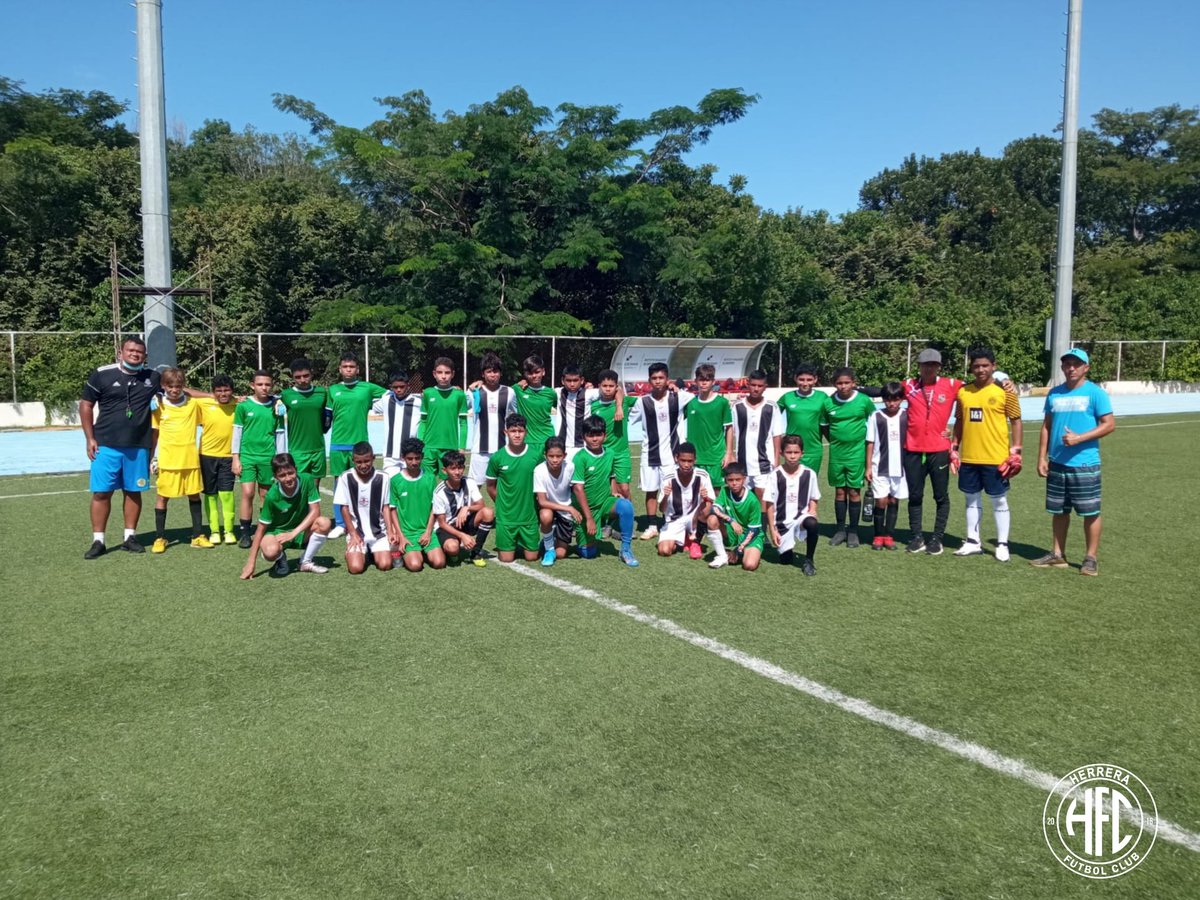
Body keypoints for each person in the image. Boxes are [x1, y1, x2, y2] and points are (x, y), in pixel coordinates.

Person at [1032, 349, 1115, 576]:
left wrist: (1079, 438)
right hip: (1057, 463)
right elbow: (1047, 426)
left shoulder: (1095, 393)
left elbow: (1109, 424)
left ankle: (1090, 558)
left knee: (1090, 512)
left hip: (1085, 463)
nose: (1071, 368)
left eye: (1076, 364)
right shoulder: (1055, 394)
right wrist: (1042, 457)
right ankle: (1058, 554)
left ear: (1086, 368)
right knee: (1059, 511)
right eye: (1067, 364)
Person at [81, 336, 161, 558]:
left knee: (134, 492)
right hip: (105, 444)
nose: (135, 354)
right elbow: (86, 405)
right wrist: (90, 438)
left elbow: (180, 389)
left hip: (138, 446)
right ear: (121, 352)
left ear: (145, 356)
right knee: (101, 493)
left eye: (139, 352)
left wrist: (215, 396)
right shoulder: (102, 374)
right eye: (131, 350)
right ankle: (99, 541)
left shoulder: (152, 377)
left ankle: (130, 537)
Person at [951, 347, 1023, 562]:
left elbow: (1016, 420)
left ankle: (1002, 544)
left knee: (999, 500)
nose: (980, 369)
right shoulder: (963, 392)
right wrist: (954, 447)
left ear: (994, 366)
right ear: (971, 368)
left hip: (996, 458)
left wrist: (1016, 450)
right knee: (971, 499)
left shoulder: (1005, 391)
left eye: (985, 365)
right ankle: (973, 541)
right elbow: (960, 421)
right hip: (970, 457)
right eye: (976, 366)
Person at [901, 348, 963, 556]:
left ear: (938, 366)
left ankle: (937, 538)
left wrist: (1004, 384)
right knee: (915, 495)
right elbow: (884, 391)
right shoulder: (909, 386)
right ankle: (917, 537)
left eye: (933, 365)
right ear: (919, 366)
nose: (928, 368)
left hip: (939, 450)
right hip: (913, 449)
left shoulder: (952, 385)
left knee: (940, 495)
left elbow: (977, 389)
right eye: (925, 364)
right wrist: (854, 389)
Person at [149, 367, 212, 552]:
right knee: (162, 497)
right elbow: (155, 434)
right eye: (170, 386)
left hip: (190, 460)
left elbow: (216, 401)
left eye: (178, 386)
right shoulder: (158, 405)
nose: (174, 390)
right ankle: (160, 538)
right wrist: (152, 457)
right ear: (163, 386)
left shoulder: (193, 404)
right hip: (168, 461)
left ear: (183, 386)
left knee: (194, 495)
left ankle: (198, 535)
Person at [239, 453, 332, 578]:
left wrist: (293, 533)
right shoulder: (272, 496)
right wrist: (251, 562)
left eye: (290, 473)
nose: (288, 478)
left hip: (299, 532)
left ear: (296, 469)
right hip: (278, 533)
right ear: (275, 477)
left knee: (324, 523)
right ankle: (280, 557)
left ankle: (305, 562)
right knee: (270, 552)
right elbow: (261, 529)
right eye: (282, 475)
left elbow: (315, 511)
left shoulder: (307, 480)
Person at [629, 362, 694, 539]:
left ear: (667, 379)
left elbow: (695, 396)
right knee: (650, 491)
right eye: (654, 378)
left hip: (671, 456)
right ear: (649, 380)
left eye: (661, 378)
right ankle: (652, 525)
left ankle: (670, 522)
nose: (658, 381)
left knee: (672, 490)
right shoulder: (642, 402)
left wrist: (677, 389)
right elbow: (630, 418)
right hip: (649, 454)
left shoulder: (677, 398)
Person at [326, 353, 387, 538]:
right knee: (339, 482)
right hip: (337, 444)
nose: (348, 370)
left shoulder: (367, 388)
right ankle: (339, 523)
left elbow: (390, 393)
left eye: (352, 367)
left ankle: (362, 520)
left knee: (361, 483)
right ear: (340, 369)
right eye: (345, 367)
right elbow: (327, 415)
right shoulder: (333, 390)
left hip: (359, 445)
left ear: (358, 369)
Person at [571, 416, 640, 567]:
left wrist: (613, 491)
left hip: (604, 503)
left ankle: (626, 549)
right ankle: (578, 534)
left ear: (605, 435)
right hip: (586, 509)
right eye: (590, 435)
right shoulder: (580, 458)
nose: (594, 439)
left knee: (626, 506)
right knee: (589, 554)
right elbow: (578, 489)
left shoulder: (610, 453)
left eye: (598, 434)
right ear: (583, 437)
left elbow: (611, 475)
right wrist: (589, 518)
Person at [232, 370, 286, 549]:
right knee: (247, 493)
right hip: (247, 457)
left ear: (272, 386)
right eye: (260, 384)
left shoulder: (277, 406)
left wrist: (281, 459)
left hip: (268, 459)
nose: (264, 388)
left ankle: (265, 530)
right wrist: (235, 458)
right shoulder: (243, 406)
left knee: (266, 495)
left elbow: (279, 433)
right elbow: (237, 432)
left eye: (268, 384)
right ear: (252, 385)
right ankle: (245, 533)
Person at [826, 367, 876, 548]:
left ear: (854, 383)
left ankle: (853, 531)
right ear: (834, 384)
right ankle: (840, 530)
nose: (843, 386)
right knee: (840, 491)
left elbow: (874, 422)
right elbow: (825, 426)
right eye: (839, 383)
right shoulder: (828, 403)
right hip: (837, 455)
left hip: (857, 455)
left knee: (854, 491)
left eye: (847, 382)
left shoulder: (863, 401)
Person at [485, 413, 543, 563]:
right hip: (506, 518)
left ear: (526, 432)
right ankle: (511, 543)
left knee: (532, 558)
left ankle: (537, 542)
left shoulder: (536, 456)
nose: (517, 435)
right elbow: (490, 486)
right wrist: (502, 503)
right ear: (506, 432)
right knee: (506, 559)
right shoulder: (497, 457)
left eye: (520, 431)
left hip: (529, 516)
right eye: (513, 431)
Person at [762, 434, 821, 576]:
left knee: (812, 523)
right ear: (782, 453)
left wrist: (812, 509)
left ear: (802, 453)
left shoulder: (809, 474)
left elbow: (814, 497)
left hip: (800, 518)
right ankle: (787, 549)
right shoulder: (775, 475)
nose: (792, 456)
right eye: (789, 452)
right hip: (782, 524)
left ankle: (809, 560)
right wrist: (772, 529)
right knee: (785, 560)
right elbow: (769, 504)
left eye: (796, 452)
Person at [333, 441, 393, 574]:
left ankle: (371, 552)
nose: (363, 465)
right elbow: (344, 508)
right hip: (357, 532)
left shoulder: (384, 477)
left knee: (385, 565)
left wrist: (390, 531)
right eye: (359, 462)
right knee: (355, 568)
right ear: (353, 460)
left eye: (367, 461)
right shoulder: (345, 477)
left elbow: (386, 507)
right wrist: (353, 534)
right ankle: (356, 552)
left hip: (378, 532)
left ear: (373, 458)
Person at [386, 437, 445, 572]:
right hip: (407, 533)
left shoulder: (430, 478)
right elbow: (392, 510)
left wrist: (428, 532)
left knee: (439, 563)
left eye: (417, 458)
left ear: (422, 457)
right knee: (415, 565)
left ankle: (425, 551)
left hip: (425, 531)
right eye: (410, 459)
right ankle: (403, 551)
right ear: (403, 458)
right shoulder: (396, 481)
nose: (414, 462)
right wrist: (401, 536)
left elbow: (433, 507)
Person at [865, 382, 908, 550]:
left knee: (893, 500)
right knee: (880, 501)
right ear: (883, 400)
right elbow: (870, 442)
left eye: (896, 400)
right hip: (879, 466)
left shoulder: (907, 415)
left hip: (901, 468)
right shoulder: (876, 416)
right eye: (888, 400)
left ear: (901, 399)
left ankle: (889, 536)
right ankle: (877, 535)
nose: (892, 403)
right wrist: (868, 467)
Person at [432, 450, 494, 566]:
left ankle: (475, 553)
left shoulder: (469, 482)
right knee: (452, 548)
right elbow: (442, 523)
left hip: (464, 522)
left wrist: (466, 508)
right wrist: (463, 536)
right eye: (453, 469)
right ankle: (452, 551)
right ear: (444, 470)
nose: (457, 472)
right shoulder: (439, 493)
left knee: (488, 512)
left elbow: (481, 505)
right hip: (448, 527)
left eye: (460, 468)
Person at [197, 374, 238, 544]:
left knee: (227, 494)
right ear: (213, 392)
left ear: (232, 391)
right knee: (210, 494)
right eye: (219, 391)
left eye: (226, 390)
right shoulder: (204, 403)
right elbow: (183, 391)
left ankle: (229, 530)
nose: (223, 393)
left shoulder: (239, 404)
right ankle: (214, 531)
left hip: (229, 457)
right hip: (207, 456)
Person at [731, 368, 784, 499]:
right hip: (742, 460)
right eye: (753, 385)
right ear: (748, 384)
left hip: (764, 461)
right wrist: (731, 454)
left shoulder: (771, 407)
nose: (756, 389)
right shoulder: (737, 407)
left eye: (760, 386)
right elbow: (731, 431)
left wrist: (777, 459)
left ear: (765, 387)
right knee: (743, 497)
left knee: (763, 497)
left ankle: (763, 520)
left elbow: (776, 435)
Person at [279, 358, 331, 488]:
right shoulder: (286, 395)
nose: (302, 380)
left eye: (306, 376)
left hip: (318, 449)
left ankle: (314, 509)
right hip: (297, 450)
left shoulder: (322, 393)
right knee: (299, 488)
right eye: (298, 377)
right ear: (292, 377)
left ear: (311, 374)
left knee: (314, 489)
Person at [468, 353, 517, 489]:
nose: (492, 375)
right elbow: (458, 404)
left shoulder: (509, 392)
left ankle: (504, 511)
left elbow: (517, 414)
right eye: (489, 371)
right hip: (480, 449)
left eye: (495, 371)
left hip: (503, 449)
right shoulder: (474, 392)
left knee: (505, 486)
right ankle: (472, 511)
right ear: (483, 374)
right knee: (474, 487)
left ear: (500, 373)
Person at [656, 442, 714, 558]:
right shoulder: (668, 478)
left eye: (690, 461)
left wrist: (705, 497)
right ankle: (684, 538)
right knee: (664, 551)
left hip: (694, 518)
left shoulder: (703, 476)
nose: (686, 465)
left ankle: (695, 541)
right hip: (674, 520)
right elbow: (662, 510)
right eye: (683, 460)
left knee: (708, 506)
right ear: (676, 458)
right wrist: (666, 496)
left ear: (695, 460)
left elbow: (710, 503)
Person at [706, 462, 764, 570]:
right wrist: (731, 520)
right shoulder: (724, 490)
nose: (734, 483)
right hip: (732, 531)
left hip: (750, 535)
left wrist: (737, 551)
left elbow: (754, 531)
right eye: (730, 480)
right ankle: (722, 556)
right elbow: (714, 508)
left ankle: (747, 553)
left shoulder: (753, 501)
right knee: (711, 519)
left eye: (738, 480)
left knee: (749, 565)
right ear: (726, 480)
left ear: (744, 479)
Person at [683, 363, 734, 486]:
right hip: (695, 459)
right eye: (701, 380)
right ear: (695, 381)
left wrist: (728, 453)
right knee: (697, 494)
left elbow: (729, 428)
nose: (704, 383)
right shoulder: (690, 403)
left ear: (713, 381)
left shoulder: (722, 403)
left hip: (716, 458)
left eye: (707, 380)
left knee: (717, 494)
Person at [589, 369, 635, 502]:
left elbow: (648, 400)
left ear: (616, 387)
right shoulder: (593, 406)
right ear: (599, 386)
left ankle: (628, 518)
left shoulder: (624, 402)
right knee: (609, 490)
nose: (608, 389)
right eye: (604, 386)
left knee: (624, 489)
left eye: (611, 386)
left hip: (621, 453)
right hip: (602, 453)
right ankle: (611, 521)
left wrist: (619, 406)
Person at [778, 362, 833, 474]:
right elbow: (770, 416)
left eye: (809, 379)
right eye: (801, 379)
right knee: (791, 483)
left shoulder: (822, 397)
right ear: (795, 379)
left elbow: (833, 418)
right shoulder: (787, 397)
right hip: (791, 449)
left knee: (809, 483)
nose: (805, 383)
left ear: (815, 379)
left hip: (813, 450)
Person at [419, 357, 469, 477]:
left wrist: (462, 447)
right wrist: (420, 443)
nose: (443, 376)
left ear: (452, 374)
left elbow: (463, 424)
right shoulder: (428, 393)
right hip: (428, 447)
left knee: (450, 485)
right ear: (434, 374)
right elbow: (423, 421)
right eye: (440, 372)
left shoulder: (459, 395)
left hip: (450, 447)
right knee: (427, 482)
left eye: (447, 373)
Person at [534, 437, 578, 566]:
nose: (554, 460)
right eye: (551, 456)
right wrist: (570, 508)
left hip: (565, 511)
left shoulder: (570, 467)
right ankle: (549, 548)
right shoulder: (539, 471)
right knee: (546, 515)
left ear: (564, 455)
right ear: (545, 455)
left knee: (561, 554)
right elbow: (542, 502)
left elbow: (577, 489)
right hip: (549, 508)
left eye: (558, 456)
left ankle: (548, 539)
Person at [373, 371, 423, 477]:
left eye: (402, 386)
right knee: (390, 485)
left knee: (410, 485)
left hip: (411, 454)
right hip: (390, 455)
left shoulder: (418, 403)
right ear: (390, 387)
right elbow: (369, 402)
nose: (399, 390)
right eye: (395, 387)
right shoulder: (386, 400)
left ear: (408, 386)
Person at [513, 355, 558, 456]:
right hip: (526, 440)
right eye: (530, 373)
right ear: (525, 374)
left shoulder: (551, 393)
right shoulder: (518, 389)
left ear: (543, 371)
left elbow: (557, 406)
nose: (534, 376)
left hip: (547, 439)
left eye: (537, 372)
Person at [555, 364, 601, 449]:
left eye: (575, 380)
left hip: (584, 445)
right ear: (562, 380)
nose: (572, 384)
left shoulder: (589, 394)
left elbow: (617, 389)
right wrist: (525, 382)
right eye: (568, 380)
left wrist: (619, 407)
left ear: (582, 380)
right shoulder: (558, 393)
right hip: (563, 445)